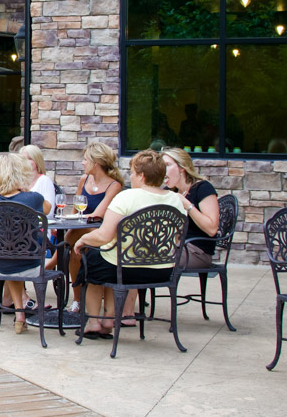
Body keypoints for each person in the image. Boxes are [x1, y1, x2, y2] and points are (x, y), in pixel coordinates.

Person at [73, 150, 185, 338]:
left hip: (126, 269)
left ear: (141, 176)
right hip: (163, 270)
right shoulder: (175, 200)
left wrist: (82, 240)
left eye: (132, 172)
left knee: (92, 259)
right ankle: (109, 318)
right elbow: (178, 238)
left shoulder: (127, 197)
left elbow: (104, 236)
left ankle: (93, 321)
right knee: (106, 259)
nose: (130, 177)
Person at [0, 152, 50, 335]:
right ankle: (21, 315)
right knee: (17, 256)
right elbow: (48, 209)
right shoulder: (33, 198)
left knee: (9, 255)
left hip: (0, 266)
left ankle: (20, 315)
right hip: (31, 264)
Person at [66, 141, 124, 313]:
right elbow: (75, 209)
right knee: (70, 245)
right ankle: (77, 300)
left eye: (85, 159)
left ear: (95, 162)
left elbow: (97, 215)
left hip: (102, 233)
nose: (83, 163)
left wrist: (75, 221)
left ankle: (50, 266)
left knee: (70, 241)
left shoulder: (114, 185)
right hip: (81, 230)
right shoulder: (84, 180)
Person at [161, 147, 220, 269]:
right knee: (137, 255)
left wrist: (187, 205)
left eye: (167, 165)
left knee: (150, 259)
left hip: (197, 252)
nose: (162, 170)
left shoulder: (203, 188)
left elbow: (212, 229)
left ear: (182, 168)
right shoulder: (170, 192)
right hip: (175, 246)